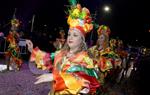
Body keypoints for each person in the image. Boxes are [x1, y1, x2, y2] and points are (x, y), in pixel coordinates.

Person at [26, 3, 100, 95]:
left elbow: (84, 82)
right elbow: (47, 58)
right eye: (69, 34)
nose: (70, 37)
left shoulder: (85, 58)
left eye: (75, 35)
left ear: (82, 40)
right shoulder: (61, 53)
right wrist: (31, 49)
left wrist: (55, 77)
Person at [89, 25, 121, 92]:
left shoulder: (108, 51)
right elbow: (86, 57)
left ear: (106, 39)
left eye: (102, 38)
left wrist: (103, 63)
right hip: (89, 76)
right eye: (99, 37)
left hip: (99, 78)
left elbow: (115, 62)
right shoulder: (93, 48)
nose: (100, 40)